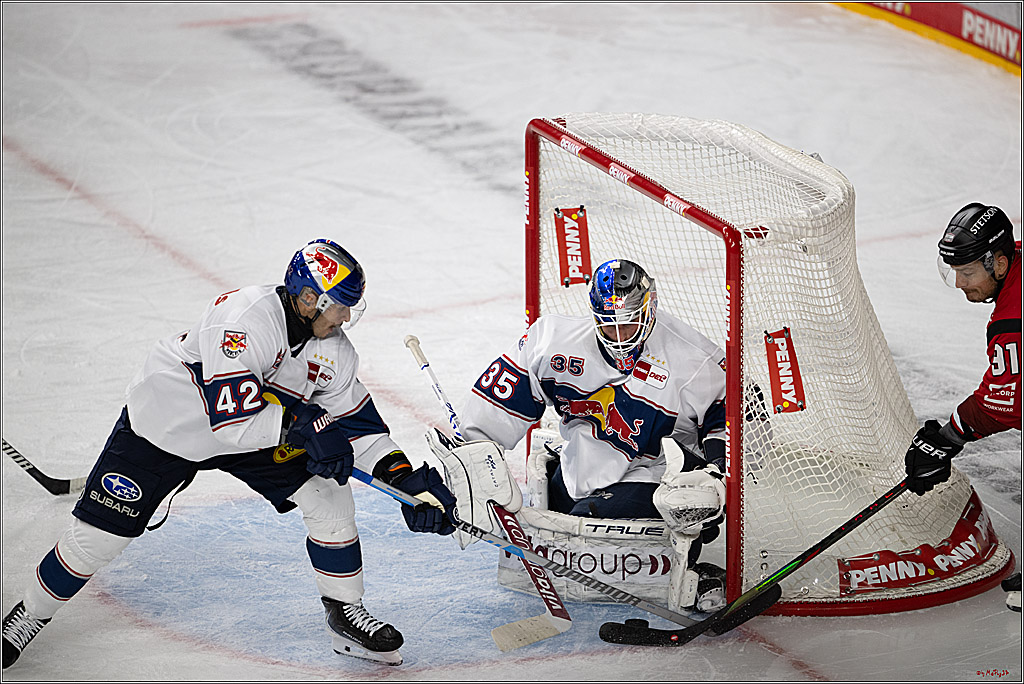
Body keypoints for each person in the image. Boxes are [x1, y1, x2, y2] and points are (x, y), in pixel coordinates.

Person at [1, 239, 458, 668]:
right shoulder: (243, 319)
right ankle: (31, 614)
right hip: (170, 425)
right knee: (98, 539)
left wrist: (404, 479)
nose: (345, 317)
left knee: (329, 497)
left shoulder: (335, 351)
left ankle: (345, 613)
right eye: (339, 305)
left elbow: (359, 427)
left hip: (259, 431)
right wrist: (304, 427)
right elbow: (232, 423)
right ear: (306, 298)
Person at [459, 258, 729, 611]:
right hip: (580, 472)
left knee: (579, 539)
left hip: (652, 479)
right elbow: (494, 406)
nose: (619, 337)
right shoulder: (551, 341)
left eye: (629, 325)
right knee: (548, 515)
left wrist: (716, 474)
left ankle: (684, 567)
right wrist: (474, 461)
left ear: (650, 308)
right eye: (608, 326)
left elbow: (743, 416)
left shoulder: (693, 358)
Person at [902, 203, 1021, 613]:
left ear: (1000, 263)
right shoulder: (1016, 259)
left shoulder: (1012, 322)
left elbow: (1003, 405)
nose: (959, 283)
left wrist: (946, 438)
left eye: (968, 273)